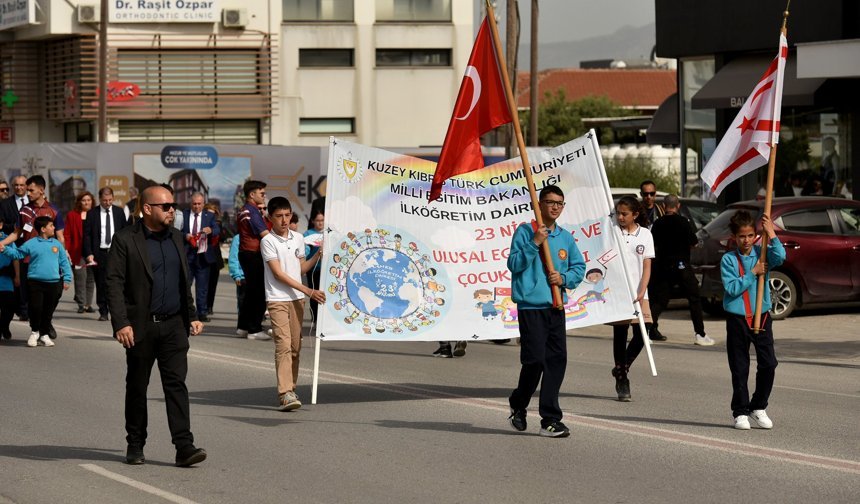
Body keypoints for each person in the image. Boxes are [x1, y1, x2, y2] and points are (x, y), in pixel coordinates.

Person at [106, 185, 207, 467]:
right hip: (141, 327)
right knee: (138, 386)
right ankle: (135, 443)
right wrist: (121, 323)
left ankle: (184, 446)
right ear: (147, 208)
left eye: (173, 205)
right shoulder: (126, 239)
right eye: (166, 206)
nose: (172, 210)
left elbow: (182, 279)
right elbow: (113, 283)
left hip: (174, 325)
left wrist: (193, 314)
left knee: (176, 385)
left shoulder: (176, 237)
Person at [507, 185, 585, 438]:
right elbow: (514, 264)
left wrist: (563, 278)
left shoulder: (564, 237)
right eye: (550, 202)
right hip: (531, 306)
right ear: (539, 204)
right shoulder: (525, 232)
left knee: (555, 361)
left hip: (555, 306)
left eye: (559, 203)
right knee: (535, 361)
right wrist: (535, 243)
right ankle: (519, 403)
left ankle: (550, 418)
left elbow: (578, 268)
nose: (555, 207)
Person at [720, 210, 785, 430]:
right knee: (740, 367)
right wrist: (753, 273)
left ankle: (758, 406)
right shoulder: (728, 259)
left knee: (769, 363)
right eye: (742, 236)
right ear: (734, 237)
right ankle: (740, 411)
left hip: (762, 315)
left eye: (750, 236)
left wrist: (771, 233)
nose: (746, 240)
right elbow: (731, 288)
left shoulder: (762, 252)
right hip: (738, 318)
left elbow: (781, 257)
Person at [261, 197, 324, 411]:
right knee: (283, 345)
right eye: (279, 216)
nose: (284, 220)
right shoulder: (267, 241)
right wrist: (308, 290)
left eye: (287, 215)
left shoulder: (298, 238)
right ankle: (285, 392)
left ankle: (291, 388)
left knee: (296, 347)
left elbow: (301, 269)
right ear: (270, 217)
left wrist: (317, 256)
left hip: (297, 299)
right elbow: (278, 275)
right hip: (277, 298)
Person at [1, 175, 65, 331]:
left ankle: (46, 321)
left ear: (42, 190)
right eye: (27, 189)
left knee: (54, 295)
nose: (27, 193)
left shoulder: (54, 211)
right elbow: (17, 233)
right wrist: (2, 243)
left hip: (50, 261)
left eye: (31, 190)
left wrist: (61, 258)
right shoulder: (24, 210)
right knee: (30, 299)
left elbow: (60, 237)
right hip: (28, 261)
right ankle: (37, 328)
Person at [648, 194, 713, 346]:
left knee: (660, 300)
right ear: (677, 206)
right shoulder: (683, 222)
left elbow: (652, 243)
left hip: (662, 267)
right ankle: (700, 334)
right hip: (682, 266)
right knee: (694, 299)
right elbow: (694, 242)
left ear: (664, 207)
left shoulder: (658, 223)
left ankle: (645, 330)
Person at [0, 216, 71, 348]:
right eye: (51, 226)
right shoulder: (31, 243)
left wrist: (67, 278)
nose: (54, 228)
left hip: (54, 283)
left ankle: (44, 334)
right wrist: (5, 249)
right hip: (35, 282)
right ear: (43, 229)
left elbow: (64, 262)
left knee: (48, 310)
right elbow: (17, 254)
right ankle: (35, 332)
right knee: (36, 308)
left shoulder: (56, 244)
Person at [610, 196, 655, 402]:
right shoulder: (612, 232)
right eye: (618, 213)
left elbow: (647, 266)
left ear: (635, 214)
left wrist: (642, 289)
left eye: (624, 213)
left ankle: (622, 366)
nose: (620, 217)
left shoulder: (645, 234)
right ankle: (622, 378)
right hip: (618, 292)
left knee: (643, 333)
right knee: (620, 334)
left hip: (639, 292)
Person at [83, 187, 129, 321]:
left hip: (116, 253)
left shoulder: (119, 212)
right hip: (100, 253)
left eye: (110, 200)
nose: (107, 203)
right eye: (104, 200)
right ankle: (103, 310)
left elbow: (125, 233)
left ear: (113, 198)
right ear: (100, 199)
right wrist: (89, 253)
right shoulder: (92, 214)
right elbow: (87, 236)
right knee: (101, 283)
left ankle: (118, 309)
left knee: (118, 282)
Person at [236, 180, 271, 341]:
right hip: (253, 254)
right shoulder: (252, 212)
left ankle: (243, 327)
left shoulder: (246, 210)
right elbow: (265, 234)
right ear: (252, 195)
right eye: (262, 193)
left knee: (250, 292)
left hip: (247, 254)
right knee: (257, 292)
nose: (264, 196)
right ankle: (254, 329)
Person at [180, 193, 220, 323]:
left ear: (203, 204)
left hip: (203, 256)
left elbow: (217, 229)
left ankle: (202, 312)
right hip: (187, 254)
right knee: (186, 285)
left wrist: (211, 230)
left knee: (202, 287)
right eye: (194, 204)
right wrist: (185, 236)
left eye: (199, 204)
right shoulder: (183, 215)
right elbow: (174, 231)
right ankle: (186, 311)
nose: (196, 206)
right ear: (190, 203)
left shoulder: (210, 216)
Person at [0, 176, 29, 321]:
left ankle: (27, 306)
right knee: (18, 278)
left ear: (26, 186)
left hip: (30, 244)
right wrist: (17, 228)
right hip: (12, 245)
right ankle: (22, 308)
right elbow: (1, 224)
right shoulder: (5, 204)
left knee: (30, 277)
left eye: (22, 185)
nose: (19, 187)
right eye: (16, 185)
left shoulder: (33, 202)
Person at [65, 191, 96, 313]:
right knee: (80, 277)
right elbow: (67, 234)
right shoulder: (72, 215)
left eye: (89, 200)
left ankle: (88, 304)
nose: (86, 202)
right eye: (84, 200)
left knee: (90, 278)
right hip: (77, 251)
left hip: (92, 251)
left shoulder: (95, 214)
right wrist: (66, 249)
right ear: (79, 202)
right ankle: (81, 304)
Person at [303, 207, 325, 322]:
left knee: (325, 295)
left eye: (322, 220)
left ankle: (324, 321)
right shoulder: (308, 233)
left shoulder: (329, 232)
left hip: (325, 270)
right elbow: (304, 252)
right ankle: (315, 320)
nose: (320, 223)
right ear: (313, 221)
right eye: (317, 220)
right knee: (314, 294)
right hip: (313, 269)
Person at [204, 202, 225, 317]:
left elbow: (222, 237)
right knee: (203, 284)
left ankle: (209, 306)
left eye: (213, 214)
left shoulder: (218, 225)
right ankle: (202, 306)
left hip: (215, 258)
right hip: (203, 256)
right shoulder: (201, 224)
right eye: (208, 214)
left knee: (212, 284)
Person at [0, 222, 13, 341]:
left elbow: (16, 259)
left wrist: (17, 276)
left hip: (6, 280)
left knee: (8, 309)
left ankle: (4, 326)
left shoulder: (8, 240)